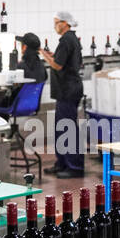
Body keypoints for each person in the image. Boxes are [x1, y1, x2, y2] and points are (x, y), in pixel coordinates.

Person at [41, 11, 85, 179]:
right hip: (65, 91)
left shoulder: (67, 40)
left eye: (56, 22)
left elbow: (58, 66)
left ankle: (75, 167)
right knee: (61, 128)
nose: (55, 26)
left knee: (68, 129)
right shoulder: (69, 40)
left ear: (65, 23)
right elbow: (62, 60)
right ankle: (62, 163)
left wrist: (42, 53)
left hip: (68, 91)